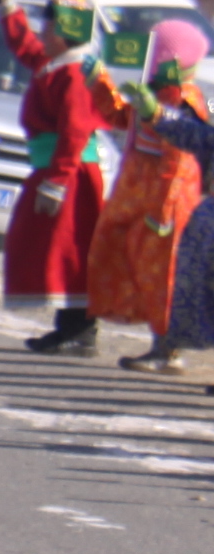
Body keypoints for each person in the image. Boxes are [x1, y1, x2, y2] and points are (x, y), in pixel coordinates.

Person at [0, 0, 118, 355]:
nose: (43, 31)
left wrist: (58, 182)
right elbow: (27, 49)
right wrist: (9, 12)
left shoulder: (76, 75)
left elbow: (76, 132)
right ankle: (72, 326)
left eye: (49, 26)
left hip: (71, 174)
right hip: (54, 170)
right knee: (50, 247)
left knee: (71, 249)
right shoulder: (54, 64)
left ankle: (80, 328)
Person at [98, 20, 212, 372]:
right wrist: (101, 84)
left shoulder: (184, 98)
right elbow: (125, 120)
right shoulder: (157, 94)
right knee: (150, 275)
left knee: (168, 278)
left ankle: (168, 349)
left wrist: (164, 209)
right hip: (145, 199)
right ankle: (163, 345)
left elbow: (180, 160)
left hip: (169, 203)